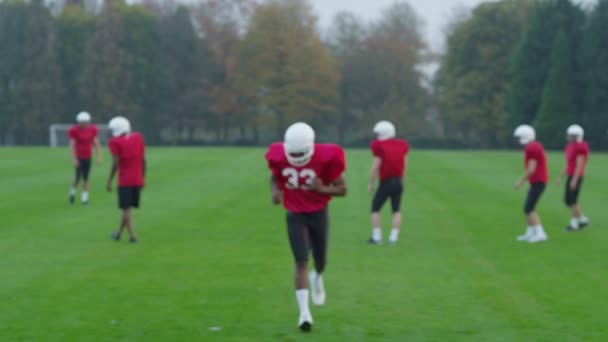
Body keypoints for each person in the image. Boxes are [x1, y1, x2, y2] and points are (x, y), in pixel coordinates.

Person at [265, 122, 347, 332]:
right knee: (301, 260)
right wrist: (275, 191)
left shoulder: (325, 157)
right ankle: (304, 314)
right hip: (294, 213)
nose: (297, 156)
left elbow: (342, 189)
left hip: (318, 213)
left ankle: (317, 276)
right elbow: (274, 177)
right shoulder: (280, 156)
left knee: (320, 261)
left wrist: (322, 188)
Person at [367, 121, 410, 245]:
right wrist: (402, 180)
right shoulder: (402, 144)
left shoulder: (379, 145)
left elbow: (376, 165)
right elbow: (405, 164)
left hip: (386, 181)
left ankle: (377, 237)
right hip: (398, 180)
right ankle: (393, 238)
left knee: (375, 208)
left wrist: (371, 182)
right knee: (396, 210)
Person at [106, 116, 146, 244]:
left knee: (126, 209)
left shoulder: (115, 142)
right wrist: (143, 178)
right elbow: (143, 160)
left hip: (125, 180)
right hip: (137, 179)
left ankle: (133, 236)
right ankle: (118, 233)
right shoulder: (138, 137)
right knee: (127, 209)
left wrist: (109, 180)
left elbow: (115, 163)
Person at [513, 125, 549, 243]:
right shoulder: (534, 146)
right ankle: (530, 233)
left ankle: (540, 233)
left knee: (529, 208)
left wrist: (520, 182)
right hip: (537, 181)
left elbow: (531, 169)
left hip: (538, 181)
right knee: (528, 207)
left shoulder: (531, 148)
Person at [557, 124, 590, 231]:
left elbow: (579, 165)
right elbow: (568, 164)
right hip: (571, 175)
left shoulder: (580, 147)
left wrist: (574, 180)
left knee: (571, 200)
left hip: (576, 176)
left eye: (572, 135)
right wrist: (560, 177)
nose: (570, 137)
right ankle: (582, 219)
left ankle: (575, 223)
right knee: (569, 200)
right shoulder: (570, 146)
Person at [68, 112, 102, 205]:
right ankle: (72, 193)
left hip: (88, 156)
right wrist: (74, 159)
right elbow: (72, 145)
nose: (84, 124)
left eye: (86, 122)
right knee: (77, 178)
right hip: (79, 157)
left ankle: (84, 199)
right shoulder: (74, 130)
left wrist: (98, 156)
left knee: (86, 178)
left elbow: (96, 143)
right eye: (82, 122)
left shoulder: (92, 130)